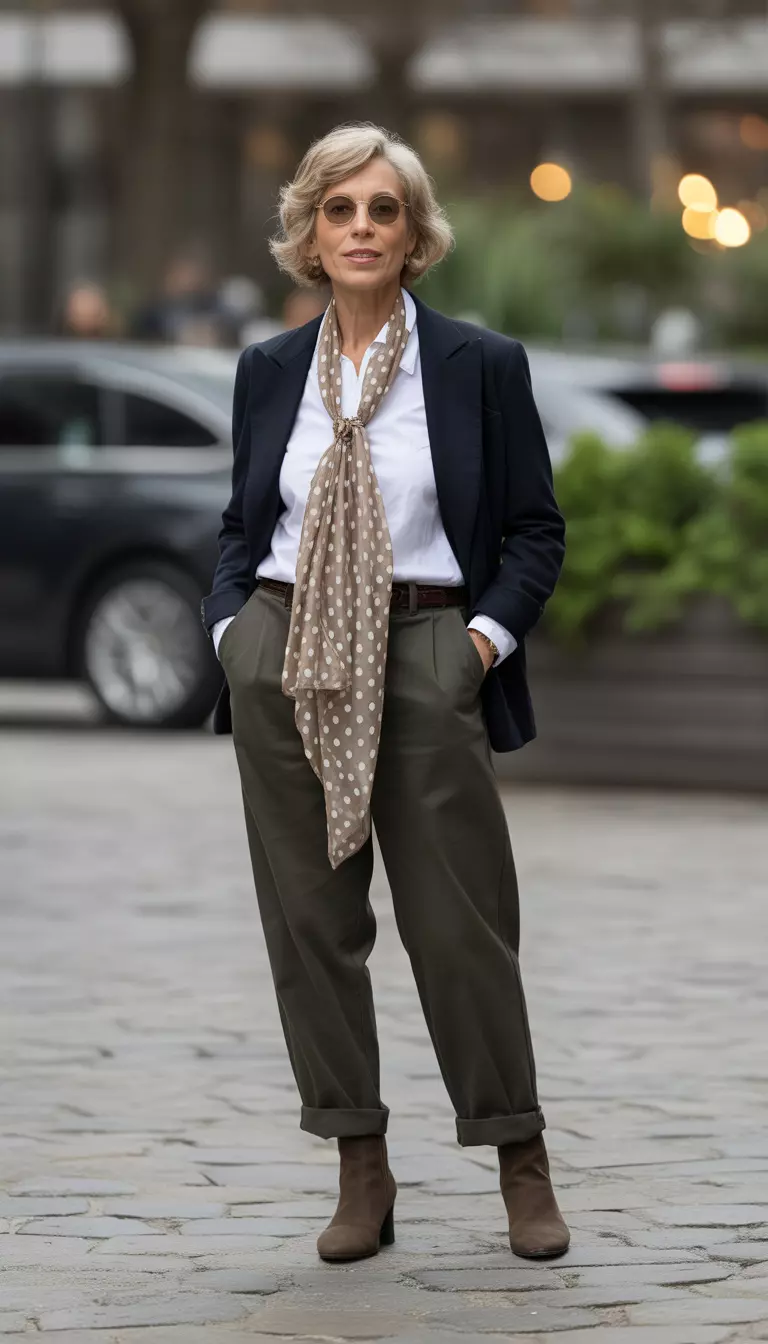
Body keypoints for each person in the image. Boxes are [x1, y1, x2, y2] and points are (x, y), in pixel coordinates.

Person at [201, 124, 569, 1265]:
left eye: (383, 209)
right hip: (284, 648)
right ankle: (360, 1163)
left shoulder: (478, 366)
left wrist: (478, 645)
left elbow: (534, 531)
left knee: (461, 928)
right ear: (309, 234)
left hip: (425, 647)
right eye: (340, 209)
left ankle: (518, 1157)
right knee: (311, 927)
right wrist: (232, 634)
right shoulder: (269, 371)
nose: (361, 228)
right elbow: (240, 525)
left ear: (414, 236)